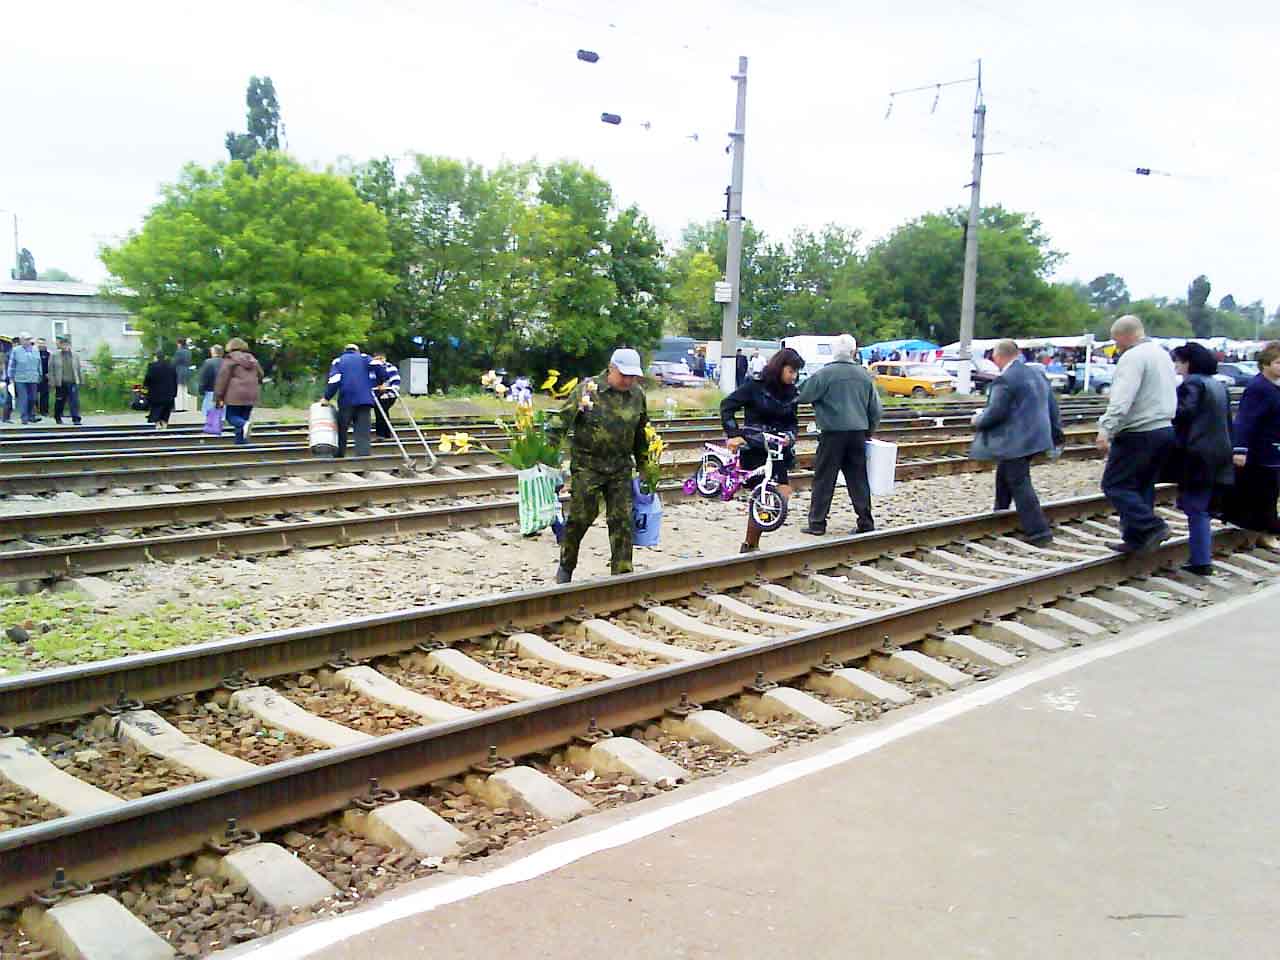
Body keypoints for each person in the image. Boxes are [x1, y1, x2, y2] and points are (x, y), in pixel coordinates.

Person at [550, 348, 649, 582]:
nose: (628, 380)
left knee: (621, 521)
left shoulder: (637, 395)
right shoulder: (588, 389)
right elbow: (561, 421)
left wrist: (645, 466)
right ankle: (566, 567)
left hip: (620, 467)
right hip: (588, 466)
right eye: (624, 375)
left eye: (633, 376)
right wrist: (547, 454)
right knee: (580, 518)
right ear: (611, 369)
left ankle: (622, 574)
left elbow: (641, 432)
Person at [1096, 315, 1178, 553]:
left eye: (1115, 340)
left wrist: (1106, 428)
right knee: (1143, 485)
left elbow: (1122, 398)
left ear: (1124, 336)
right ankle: (1136, 539)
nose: (1116, 346)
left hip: (1139, 431)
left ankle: (1151, 526)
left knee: (1115, 485)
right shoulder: (1162, 354)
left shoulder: (1132, 357)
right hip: (1164, 428)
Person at [970, 339, 1065, 545]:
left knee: (1020, 484)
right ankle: (1000, 516)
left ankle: (1039, 533)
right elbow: (1052, 407)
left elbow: (996, 413)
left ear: (998, 355)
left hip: (1017, 441)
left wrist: (978, 420)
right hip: (1037, 437)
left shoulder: (1005, 379)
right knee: (1005, 475)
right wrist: (1056, 434)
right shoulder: (1037, 374)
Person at [722, 347, 803, 553]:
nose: (794, 376)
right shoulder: (754, 387)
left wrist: (790, 437)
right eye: (791, 371)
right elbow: (727, 406)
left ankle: (752, 542)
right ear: (780, 367)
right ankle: (750, 544)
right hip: (755, 449)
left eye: (796, 372)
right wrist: (733, 434)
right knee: (762, 496)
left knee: (781, 494)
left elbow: (793, 422)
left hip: (778, 451)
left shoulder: (792, 393)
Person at [798, 334, 881, 536]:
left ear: (834, 352)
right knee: (858, 479)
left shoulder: (824, 374)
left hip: (832, 433)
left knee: (825, 478)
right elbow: (876, 410)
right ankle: (865, 522)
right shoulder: (864, 376)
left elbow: (801, 395)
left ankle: (817, 523)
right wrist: (868, 431)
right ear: (854, 352)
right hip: (857, 434)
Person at [1169, 343, 1233, 574]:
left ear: (1188, 363)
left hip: (1196, 454)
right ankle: (1201, 557)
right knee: (1201, 506)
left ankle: (1201, 561)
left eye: (1178, 361)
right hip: (1218, 452)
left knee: (1195, 507)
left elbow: (1183, 413)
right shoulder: (1218, 385)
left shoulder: (1192, 383)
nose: (1176, 365)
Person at [1227, 341, 1280, 534]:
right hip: (1261, 450)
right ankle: (1265, 530)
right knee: (1264, 492)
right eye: (1278, 363)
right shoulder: (1258, 388)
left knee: (1270, 491)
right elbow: (1246, 420)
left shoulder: (1273, 387)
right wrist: (1240, 449)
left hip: (1273, 449)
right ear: (1265, 364)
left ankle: (1263, 528)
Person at [324, 344, 385, 458]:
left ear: (344, 351)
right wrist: (380, 382)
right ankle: (363, 456)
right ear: (357, 350)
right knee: (363, 430)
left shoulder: (338, 361)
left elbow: (335, 380)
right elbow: (379, 366)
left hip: (346, 399)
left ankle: (339, 454)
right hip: (364, 400)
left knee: (342, 429)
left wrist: (327, 397)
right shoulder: (364, 357)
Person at [214, 338, 263, 444]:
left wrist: (219, 396)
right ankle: (241, 443)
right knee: (243, 417)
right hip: (251, 394)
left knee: (231, 417)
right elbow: (261, 375)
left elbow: (222, 379)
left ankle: (243, 425)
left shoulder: (229, 360)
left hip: (235, 395)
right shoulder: (253, 360)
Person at [7, 333, 43, 424]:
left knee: (33, 398)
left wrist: (40, 374)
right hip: (20, 378)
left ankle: (31, 415)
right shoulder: (16, 350)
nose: (28, 341)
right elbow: (12, 364)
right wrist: (10, 376)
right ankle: (24, 418)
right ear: (21, 340)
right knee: (23, 398)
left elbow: (39, 363)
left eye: (29, 339)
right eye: (26, 339)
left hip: (33, 378)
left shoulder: (35, 350)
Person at [49, 336, 83, 425]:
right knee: (60, 401)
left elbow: (78, 368)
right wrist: (52, 381)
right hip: (60, 382)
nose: (64, 346)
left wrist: (80, 380)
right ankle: (57, 416)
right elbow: (51, 369)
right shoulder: (55, 355)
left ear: (69, 345)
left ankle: (76, 418)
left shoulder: (75, 355)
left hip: (72, 381)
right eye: (62, 344)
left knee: (74, 400)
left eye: (66, 344)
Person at [143, 349, 178, 428]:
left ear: (156, 357)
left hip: (156, 395)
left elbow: (147, 379)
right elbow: (175, 380)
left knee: (156, 411)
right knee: (166, 412)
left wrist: (145, 388)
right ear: (164, 357)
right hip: (169, 395)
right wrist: (175, 393)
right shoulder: (171, 366)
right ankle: (164, 425)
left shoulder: (152, 366)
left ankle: (158, 425)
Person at [371, 352, 401, 439]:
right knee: (380, 411)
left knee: (381, 410)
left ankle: (382, 434)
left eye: (380, 359)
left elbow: (396, 381)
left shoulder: (390, 368)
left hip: (389, 394)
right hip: (376, 394)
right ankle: (385, 433)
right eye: (376, 359)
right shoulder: (371, 369)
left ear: (384, 358)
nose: (378, 361)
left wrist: (388, 391)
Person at [196, 345, 224, 422]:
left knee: (210, 414)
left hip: (211, 391)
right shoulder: (226, 362)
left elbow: (204, 378)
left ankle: (213, 430)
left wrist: (201, 389)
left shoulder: (208, 363)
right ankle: (219, 429)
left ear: (213, 352)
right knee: (221, 415)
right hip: (224, 393)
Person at [172, 338, 193, 413]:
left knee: (179, 390)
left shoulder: (179, 352)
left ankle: (179, 407)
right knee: (185, 389)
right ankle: (185, 406)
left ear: (179, 344)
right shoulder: (188, 352)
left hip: (179, 371)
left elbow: (174, 362)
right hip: (187, 371)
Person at [36, 338, 51, 416]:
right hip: (35, 376)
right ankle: (34, 410)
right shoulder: (34, 353)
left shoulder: (48, 354)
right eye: (39, 343)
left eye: (43, 343)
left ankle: (44, 411)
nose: (41, 345)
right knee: (34, 395)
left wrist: (49, 374)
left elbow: (51, 365)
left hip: (45, 376)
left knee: (44, 394)